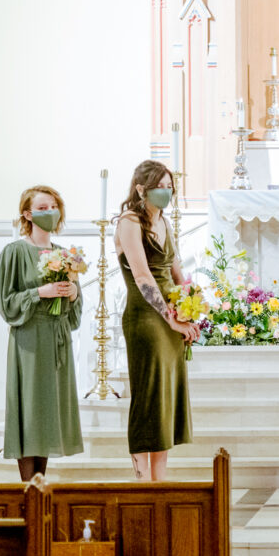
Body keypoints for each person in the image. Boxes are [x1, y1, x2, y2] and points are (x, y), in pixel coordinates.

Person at [115, 160, 199, 481]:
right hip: (146, 318)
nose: (166, 192)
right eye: (159, 187)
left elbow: (176, 271)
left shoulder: (162, 220)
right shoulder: (130, 221)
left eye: (169, 187)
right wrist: (171, 319)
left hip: (171, 316)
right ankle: (141, 481)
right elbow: (141, 274)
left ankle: (159, 480)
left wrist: (189, 310)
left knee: (166, 396)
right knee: (148, 396)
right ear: (140, 189)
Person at [0, 185, 84, 482]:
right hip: (29, 338)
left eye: (54, 206)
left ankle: (40, 483)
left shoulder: (65, 255)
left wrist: (72, 293)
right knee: (30, 409)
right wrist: (39, 292)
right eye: (43, 207)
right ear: (28, 214)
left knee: (48, 410)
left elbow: (75, 313)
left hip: (57, 338)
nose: (50, 212)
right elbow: (6, 303)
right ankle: (26, 487)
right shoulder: (15, 252)